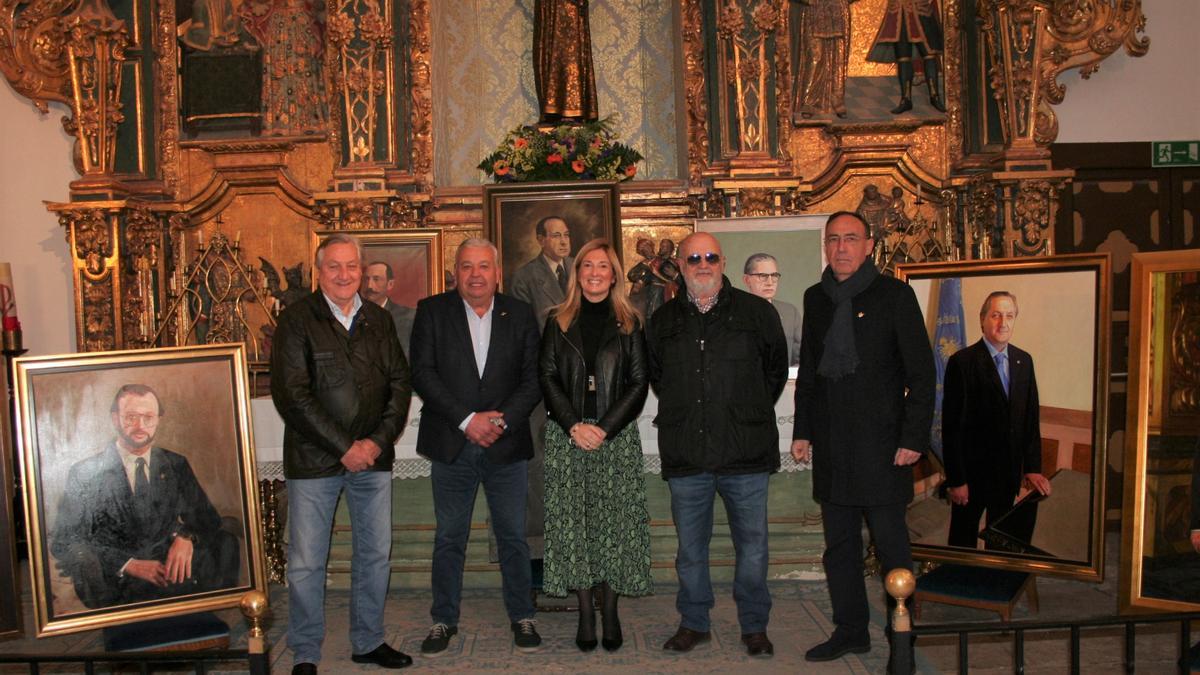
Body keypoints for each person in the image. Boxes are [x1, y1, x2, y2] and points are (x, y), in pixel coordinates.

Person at [791, 211, 935, 663]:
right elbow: (811, 374)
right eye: (833, 239)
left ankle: (902, 637)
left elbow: (922, 374)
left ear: (869, 245)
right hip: (833, 447)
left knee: (892, 546)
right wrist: (803, 431)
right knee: (839, 548)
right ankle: (851, 629)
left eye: (851, 239)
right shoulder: (815, 299)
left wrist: (913, 437)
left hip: (884, 447)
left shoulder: (894, 295)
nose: (841, 248)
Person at [270, 233, 413, 673]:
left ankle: (368, 641)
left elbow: (399, 386)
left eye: (352, 266)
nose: (344, 274)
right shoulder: (297, 320)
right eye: (334, 266)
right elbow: (292, 396)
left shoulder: (378, 320)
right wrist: (343, 447)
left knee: (375, 555)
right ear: (319, 271)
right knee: (308, 562)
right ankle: (306, 651)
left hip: (372, 459)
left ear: (361, 269)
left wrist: (374, 443)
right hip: (315, 461)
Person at [646, 232, 789, 658]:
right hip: (688, 452)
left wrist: (741, 410)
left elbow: (774, 373)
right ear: (682, 266)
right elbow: (659, 378)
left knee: (753, 547)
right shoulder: (663, 320)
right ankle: (694, 622)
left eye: (710, 256)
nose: (702, 264)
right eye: (693, 258)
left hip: (745, 452)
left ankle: (754, 626)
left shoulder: (757, 313)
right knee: (690, 551)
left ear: (723, 262)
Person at [409, 238, 544, 656]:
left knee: (513, 537)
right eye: (467, 266)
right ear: (455, 272)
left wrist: (498, 420)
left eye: (484, 266)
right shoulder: (432, 311)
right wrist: (468, 420)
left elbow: (533, 378)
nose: (475, 275)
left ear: (497, 272)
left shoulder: (520, 314)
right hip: (453, 442)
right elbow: (423, 373)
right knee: (450, 537)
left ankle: (522, 616)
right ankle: (443, 620)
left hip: (505, 445)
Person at [539, 239, 652, 653]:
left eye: (602, 266)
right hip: (567, 437)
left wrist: (603, 428)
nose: (594, 273)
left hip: (615, 437)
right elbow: (547, 376)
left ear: (614, 273)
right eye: (586, 265)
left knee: (614, 525)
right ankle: (586, 611)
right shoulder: (557, 320)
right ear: (577, 272)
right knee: (576, 525)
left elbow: (639, 383)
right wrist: (573, 426)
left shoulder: (631, 322)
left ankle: (612, 609)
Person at [50, 384, 239, 610]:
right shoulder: (85, 472)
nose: (140, 426)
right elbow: (64, 540)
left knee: (226, 540)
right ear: (115, 419)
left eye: (148, 417)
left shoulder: (175, 464)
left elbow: (207, 517)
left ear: (158, 419)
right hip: (118, 577)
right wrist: (128, 564)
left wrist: (187, 536)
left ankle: (199, 613)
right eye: (131, 417)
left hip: (168, 567)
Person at [943, 291, 1050, 549]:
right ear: (982, 320)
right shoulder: (962, 362)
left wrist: (1032, 467)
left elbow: (1029, 418)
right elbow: (951, 427)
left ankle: (992, 583)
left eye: (1009, 316)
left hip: (1007, 474)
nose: (1003, 323)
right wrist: (957, 480)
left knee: (1000, 539)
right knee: (962, 540)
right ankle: (957, 585)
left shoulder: (1024, 361)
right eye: (996, 315)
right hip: (972, 476)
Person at [509, 214, 576, 560]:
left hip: (578, 381)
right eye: (556, 235)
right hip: (541, 381)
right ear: (540, 240)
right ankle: (541, 552)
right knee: (541, 467)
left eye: (566, 235)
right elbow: (524, 333)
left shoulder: (579, 273)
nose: (563, 241)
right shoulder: (525, 277)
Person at [866, 0, 947, 114]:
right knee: (903, 57)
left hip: (919, 9)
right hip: (899, 11)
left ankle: (934, 96)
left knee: (929, 53)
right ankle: (906, 99)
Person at [533, 0, 598, 122]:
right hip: (549, 5)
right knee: (549, 49)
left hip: (572, 8)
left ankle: (573, 109)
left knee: (571, 54)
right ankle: (551, 110)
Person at [790, 0, 851, 119]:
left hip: (838, 10)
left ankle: (837, 99)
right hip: (814, 9)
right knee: (814, 57)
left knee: (838, 56)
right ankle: (809, 101)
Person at [743, 253, 803, 367]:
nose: (770, 282)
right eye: (763, 276)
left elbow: (802, 358)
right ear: (747, 280)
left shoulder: (790, 313)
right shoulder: (735, 313)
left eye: (774, 275)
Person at [361, 260, 416, 356]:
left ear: (390, 284)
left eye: (376, 279)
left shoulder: (408, 317)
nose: (369, 286)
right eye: (366, 279)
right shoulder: (353, 315)